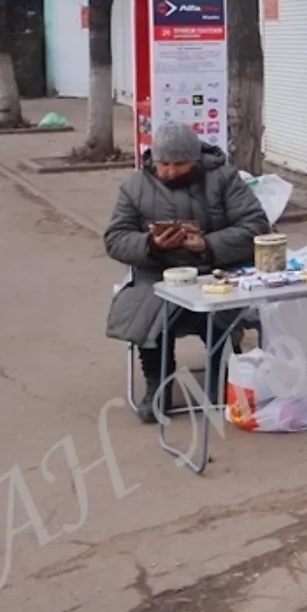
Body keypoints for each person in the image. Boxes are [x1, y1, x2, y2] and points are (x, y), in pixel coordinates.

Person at [104, 122, 271, 422]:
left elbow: (256, 226)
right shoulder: (135, 186)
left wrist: (207, 244)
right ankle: (157, 385)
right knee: (150, 310)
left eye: (178, 164)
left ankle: (221, 376)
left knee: (216, 307)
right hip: (156, 273)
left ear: (196, 160)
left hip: (214, 269)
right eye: (163, 164)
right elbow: (115, 238)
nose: (168, 171)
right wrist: (151, 244)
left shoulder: (224, 178)